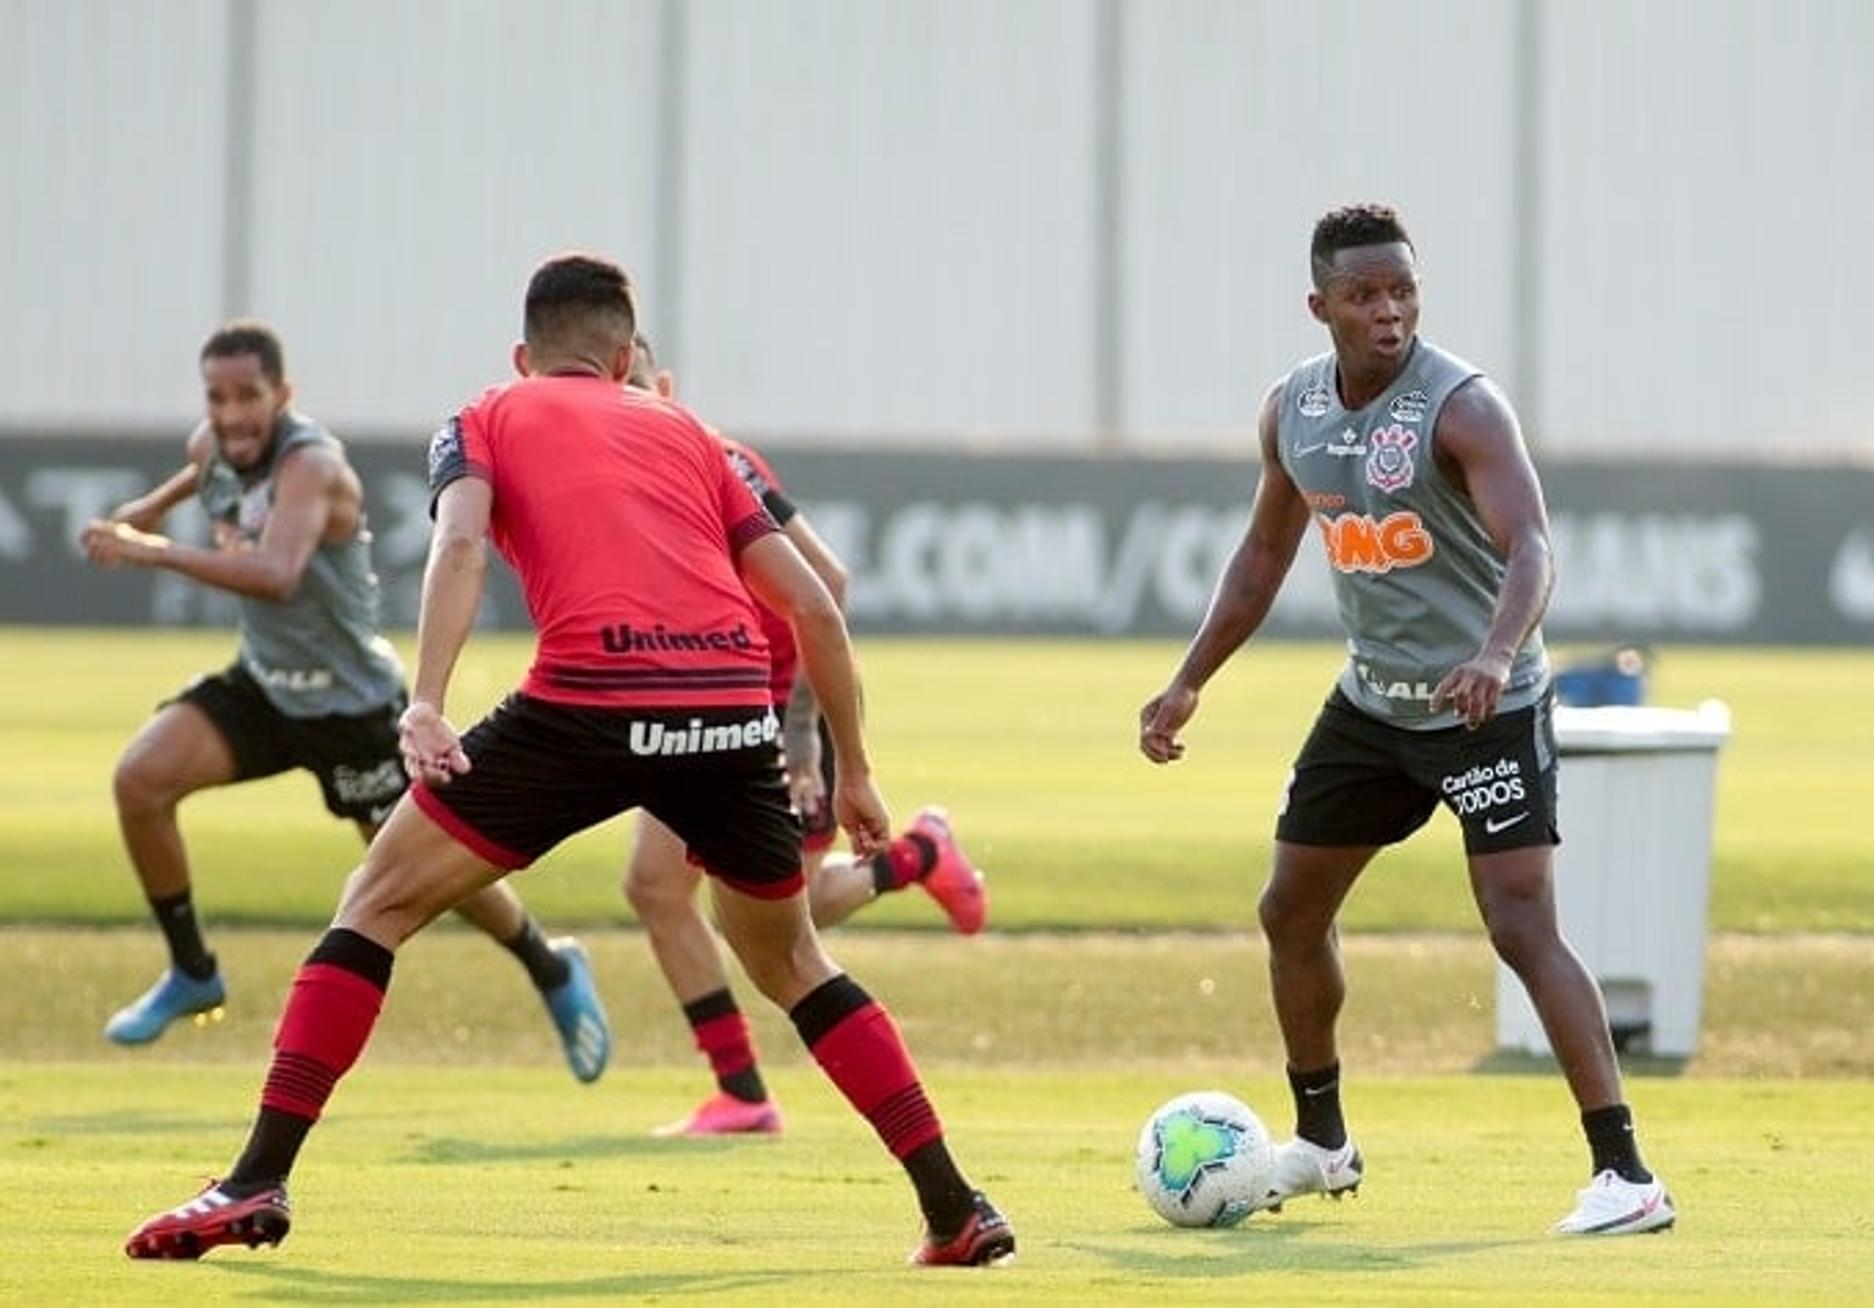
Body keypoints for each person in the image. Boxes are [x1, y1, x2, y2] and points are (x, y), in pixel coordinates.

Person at [124, 257, 1015, 1267]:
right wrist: (854, 768)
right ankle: (956, 1210)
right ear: (630, 357)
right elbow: (812, 600)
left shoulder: (484, 415)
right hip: (727, 713)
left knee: (376, 904)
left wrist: (425, 701)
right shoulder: (694, 433)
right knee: (794, 956)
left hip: (588, 697)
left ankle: (254, 1181)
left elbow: (458, 549)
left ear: (523, 354)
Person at [1138, 204, 1673, 1237]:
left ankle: (1626, 1176)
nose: (1389, 313)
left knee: (1520, 924)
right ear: (1320, 305)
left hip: (1487, 704)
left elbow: (1534, 549)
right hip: (1373, 706)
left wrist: (1494, 652)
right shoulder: (1289, 410)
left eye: (1402, 291)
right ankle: (1323, 1142)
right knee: (1289, 911)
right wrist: (1189, 678)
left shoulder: (1462, 407)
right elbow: (1262, 558)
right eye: (1364, 295)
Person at [78, 321, 611, 1083]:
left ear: (282, 395)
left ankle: (549, 965)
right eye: (218, 398)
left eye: (248, 397)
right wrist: (144, 512)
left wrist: (151, 551)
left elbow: (278, 573)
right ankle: (193, 971)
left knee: (414, 872)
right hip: (265, 687)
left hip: (352, 707)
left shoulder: (312, 466)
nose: (232, 414)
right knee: (140, 780)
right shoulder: (214, 443)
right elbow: (194, 477)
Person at [619, 335, 987, 1138]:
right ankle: (742, 1092)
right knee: (654, 885)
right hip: (698, 708)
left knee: (783, 923)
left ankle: (917, 852)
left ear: (668, 385)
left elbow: (828, 584)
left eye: (642, 388)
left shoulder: (722, 461)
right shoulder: (620, 473)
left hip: (778, 714)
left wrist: (802, 738)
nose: (633, 407)